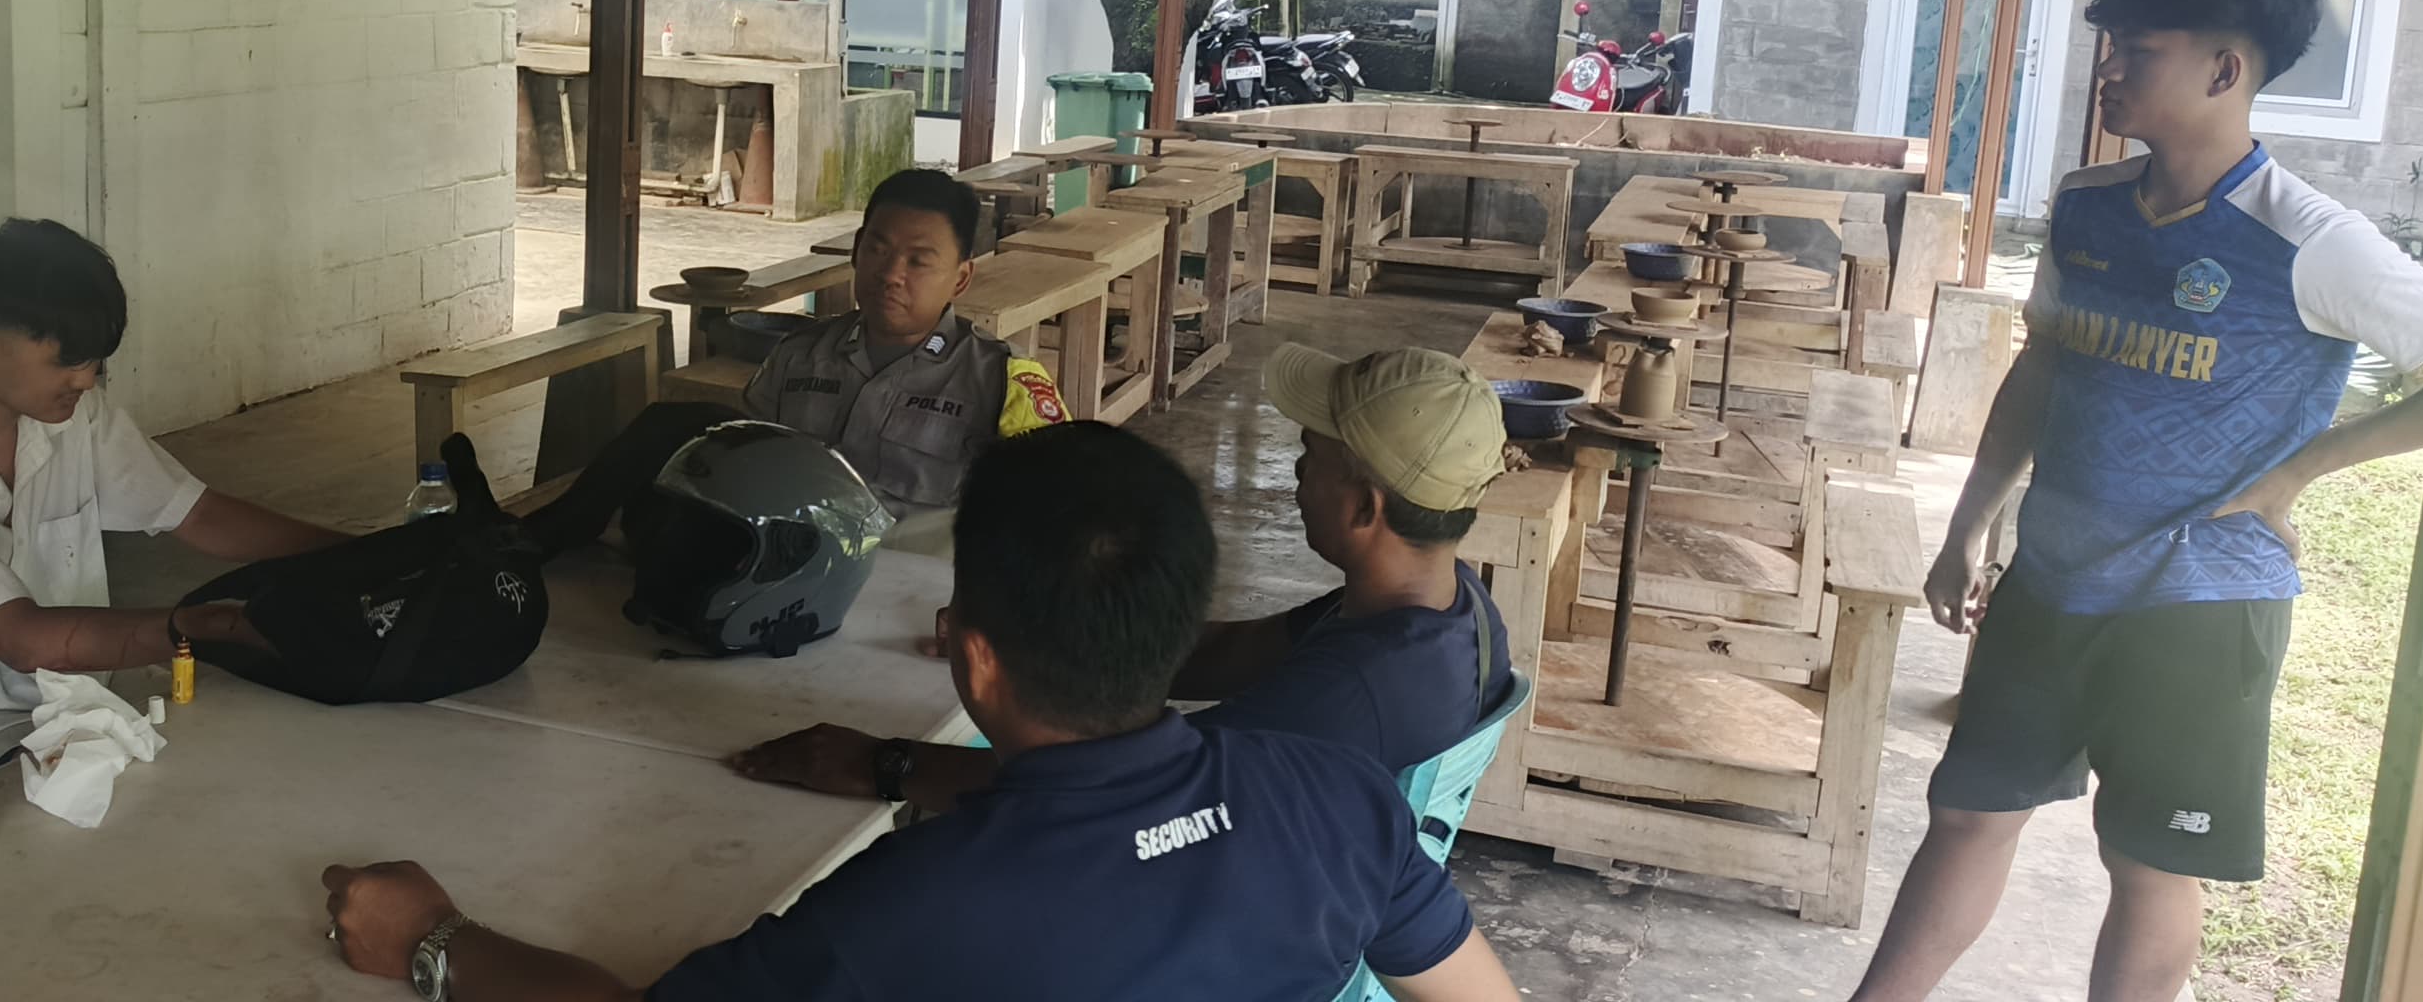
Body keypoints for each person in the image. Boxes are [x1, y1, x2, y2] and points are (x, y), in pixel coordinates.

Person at [319, 424, 1522, 1002]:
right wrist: (897, 769)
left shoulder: (903, 915)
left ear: (975, 661)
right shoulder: (1339, 802)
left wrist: (436, 940)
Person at [1850, 0, 2423, 1002]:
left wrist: (2302, 471)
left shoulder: (2310, 241)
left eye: (2138, 49)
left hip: (2200, 601)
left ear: (2224, 70)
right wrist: (1968, 526)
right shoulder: (2088, 205)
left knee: (2147, 861)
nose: (2109, 69)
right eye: (2110, 45)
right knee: (1967, 812)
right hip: (2051, 577)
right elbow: (2044, 366)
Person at [729, 343, 1515, 807]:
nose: (1295, 473)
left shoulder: (1349, 697)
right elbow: (1232, 653)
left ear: (1365, 507)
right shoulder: (1444, 611)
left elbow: (1121, 796)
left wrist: (885, 765)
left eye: (1309, 456)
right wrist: (1053, 634)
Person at [0, 218, 347, 831]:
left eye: (94, 362)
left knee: (243, 777)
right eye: (67, 361)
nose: (85, 380)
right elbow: (22, 640)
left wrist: (371, 558)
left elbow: (198, 514)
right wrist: (202, 627)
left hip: (53, 717)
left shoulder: (70, 416)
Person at [530, 168, 1060, 551]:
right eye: (877, 250)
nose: (890, 274)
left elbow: (1051, 523)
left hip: (912, 603)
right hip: (783, 574)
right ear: (857, 249)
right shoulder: (799, 355)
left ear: (961, 279)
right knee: (672, 432)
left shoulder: (1002, 382)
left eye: (919, 261)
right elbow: (742, 473)